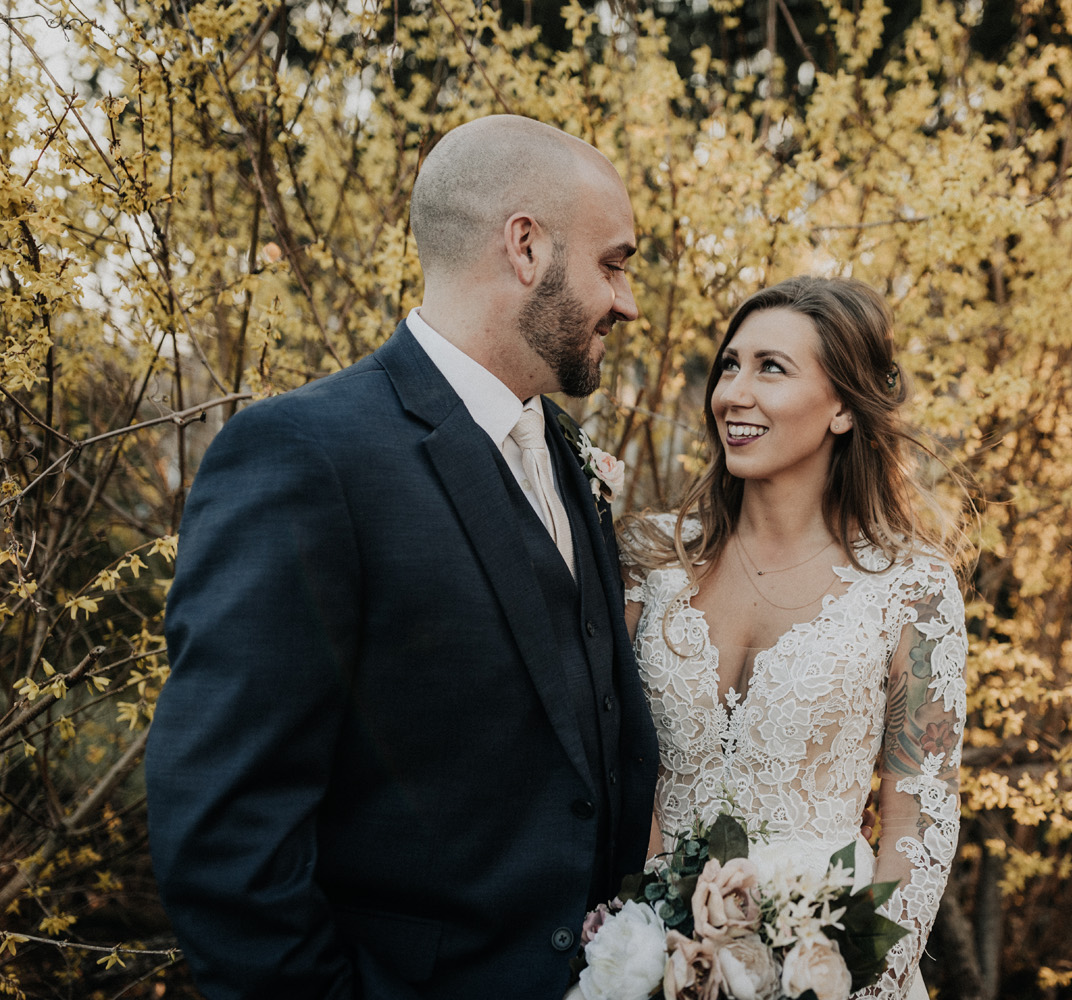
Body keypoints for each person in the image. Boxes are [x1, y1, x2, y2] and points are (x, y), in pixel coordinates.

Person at [145, 115, 660, 1000]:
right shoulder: (305, 455)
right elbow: (225, 833)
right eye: (612, 264)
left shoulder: (569, 455)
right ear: (526, 248)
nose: (628, 300)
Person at [620, 276, 967, 998]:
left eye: (770, 368)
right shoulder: (649, 561)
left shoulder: (912, 588)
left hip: (832, 969)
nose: (733, 393)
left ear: (842, 406)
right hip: (658, 960)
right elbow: (607, 769)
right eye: (729, 365)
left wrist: (862, 978)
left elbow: (918, 814)